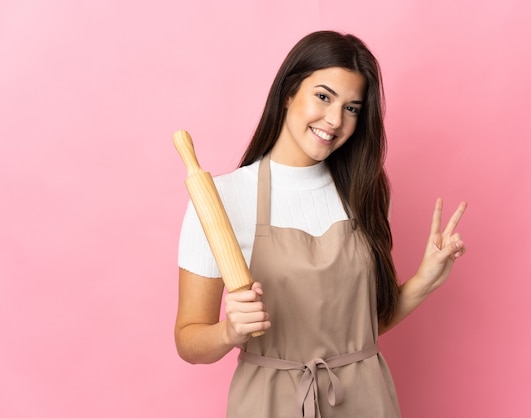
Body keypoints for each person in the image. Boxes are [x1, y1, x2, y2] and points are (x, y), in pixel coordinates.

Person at [175, 30, 467, 418]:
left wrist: (423, 282)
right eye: (324, 96)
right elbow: (188, 339)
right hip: (268, 405)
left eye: (352, 108)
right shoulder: (222, 201)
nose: (334, 120)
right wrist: (229, 331)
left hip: (365, 401)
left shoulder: (367, 192)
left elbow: (363, 327)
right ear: (289, 92)